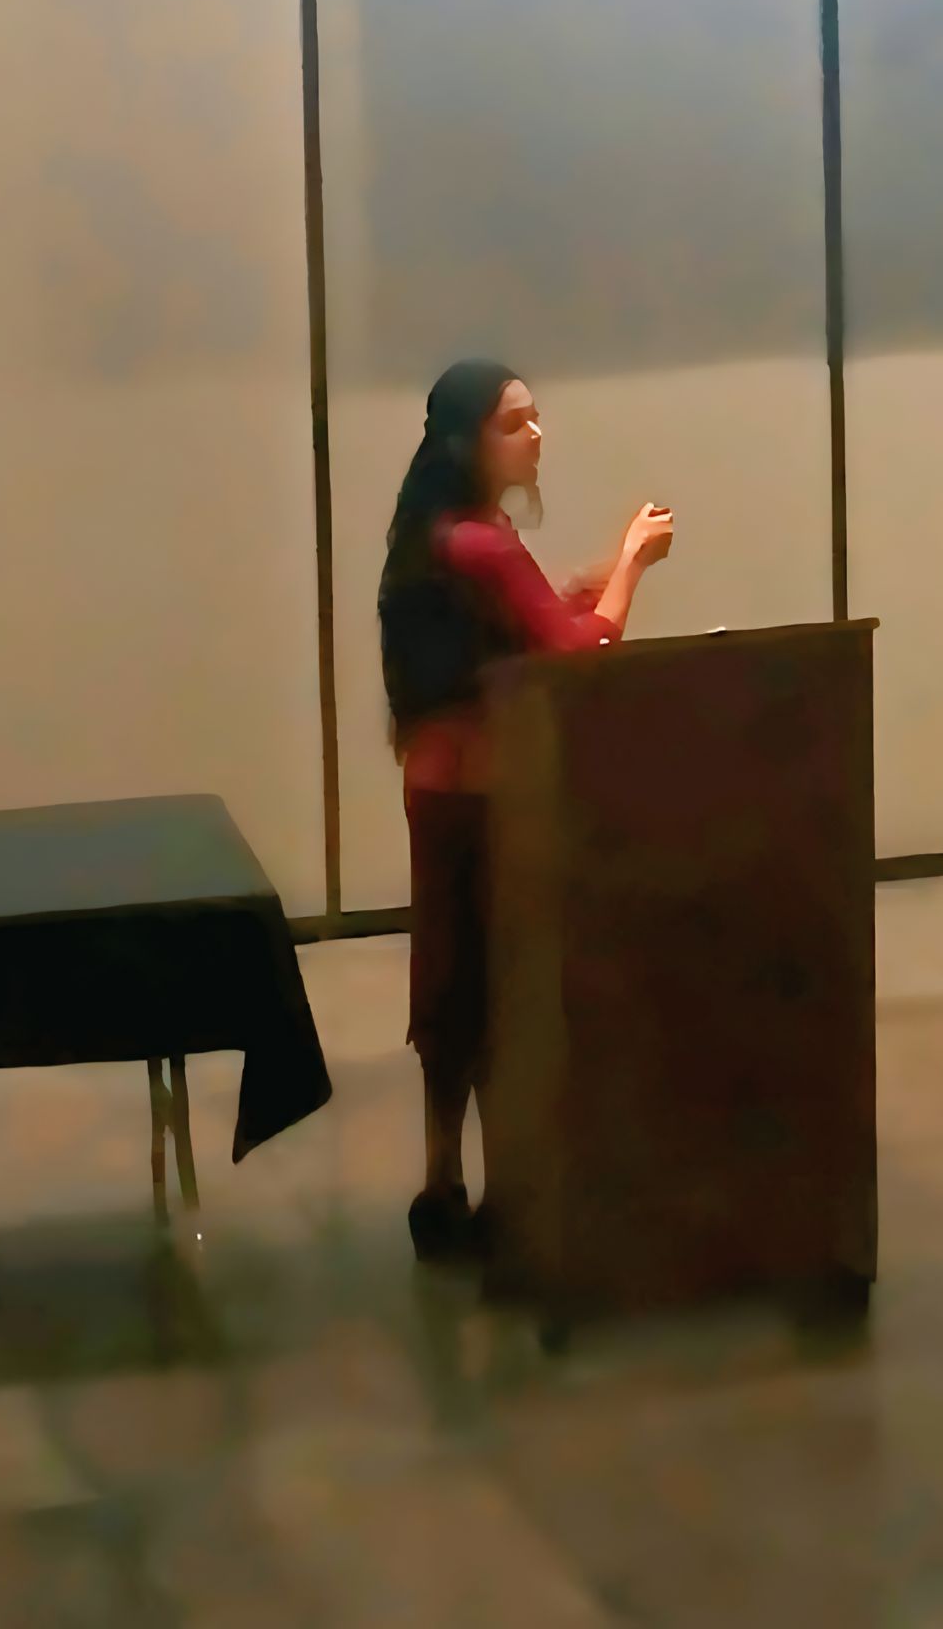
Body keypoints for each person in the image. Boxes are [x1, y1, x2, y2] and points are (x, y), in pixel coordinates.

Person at [379, 357, 674, 1260]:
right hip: (488, 798)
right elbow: (578, 651)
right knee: (499, 987)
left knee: (450, 987)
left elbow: (517, 626)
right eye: (515, 423)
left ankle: (444, 1183)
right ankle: (507, 1193)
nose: (535, 436)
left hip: (437, 787)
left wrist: (570, 590)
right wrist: (629, 565)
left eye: (537, 418)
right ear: (469, 439)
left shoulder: (438, 536)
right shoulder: (483, 542)